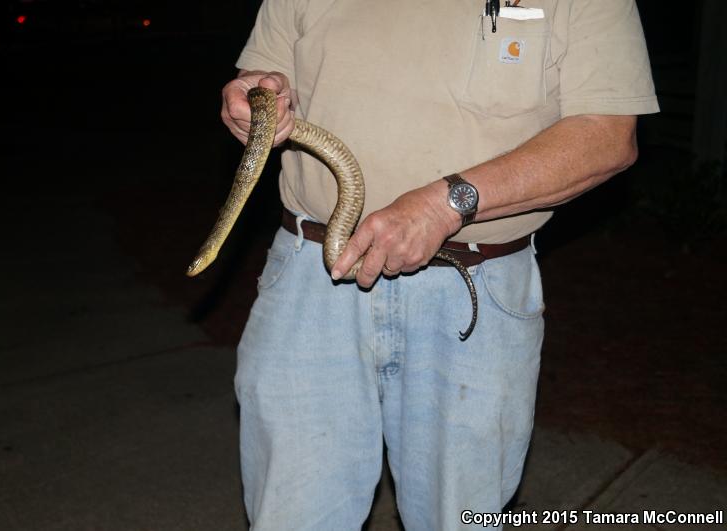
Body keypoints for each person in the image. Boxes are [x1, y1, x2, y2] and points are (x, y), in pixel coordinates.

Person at [222, 1, 658, 529]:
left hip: (475, 293)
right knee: (289, 514)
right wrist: (254, 98)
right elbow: (260, 79)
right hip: (310, 278)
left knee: (459, 517)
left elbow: (608, 135)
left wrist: (445, 204)